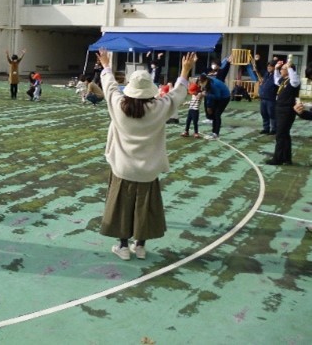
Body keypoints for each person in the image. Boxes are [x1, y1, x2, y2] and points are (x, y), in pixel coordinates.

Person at [97, 48, 197, 261]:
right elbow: (178, 94)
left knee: (121, 206)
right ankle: (140, 246)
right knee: (144, 206)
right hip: (149, 170)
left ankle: (123, 246)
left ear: (130, 89)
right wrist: (185, 71)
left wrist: (106, 65)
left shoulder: (118, 105)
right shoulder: (159, 107)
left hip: (122, 167)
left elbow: (109, 86)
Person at [266, 59, 300, 165]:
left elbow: (294, 79)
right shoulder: (283, 80)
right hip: (280, 109)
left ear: (289, 71)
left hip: (287, 110)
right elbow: (276, 80)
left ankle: (278, 158)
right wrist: (276, 69)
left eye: (283, 69)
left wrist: (289, 67)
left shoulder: (294, 81)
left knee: (280, 134)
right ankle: (286, 158)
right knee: (285, 135)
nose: (281, 70)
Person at [197, 73, 230, 140]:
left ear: (205, 80)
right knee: (213, 113)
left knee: (217, 114)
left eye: (201, 83)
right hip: (216, 96)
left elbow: (217, 97)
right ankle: (213, 132)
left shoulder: (213, 85)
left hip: (224, 97)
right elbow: (209, 95)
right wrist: (209, 106)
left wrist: (206, 95)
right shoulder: (207, 82)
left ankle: (216, 134)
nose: (200, 85)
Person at [258, 60, 278, 134]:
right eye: (268, 66)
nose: (269, 67)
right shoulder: (266, 74)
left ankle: (274, 129)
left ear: (274, 67)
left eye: (271, 66)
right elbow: (258, 69)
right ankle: (266, 128)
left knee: (272, 114)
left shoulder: (276, 75)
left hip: (271, 98)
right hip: (263, 98)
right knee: (264, 113)